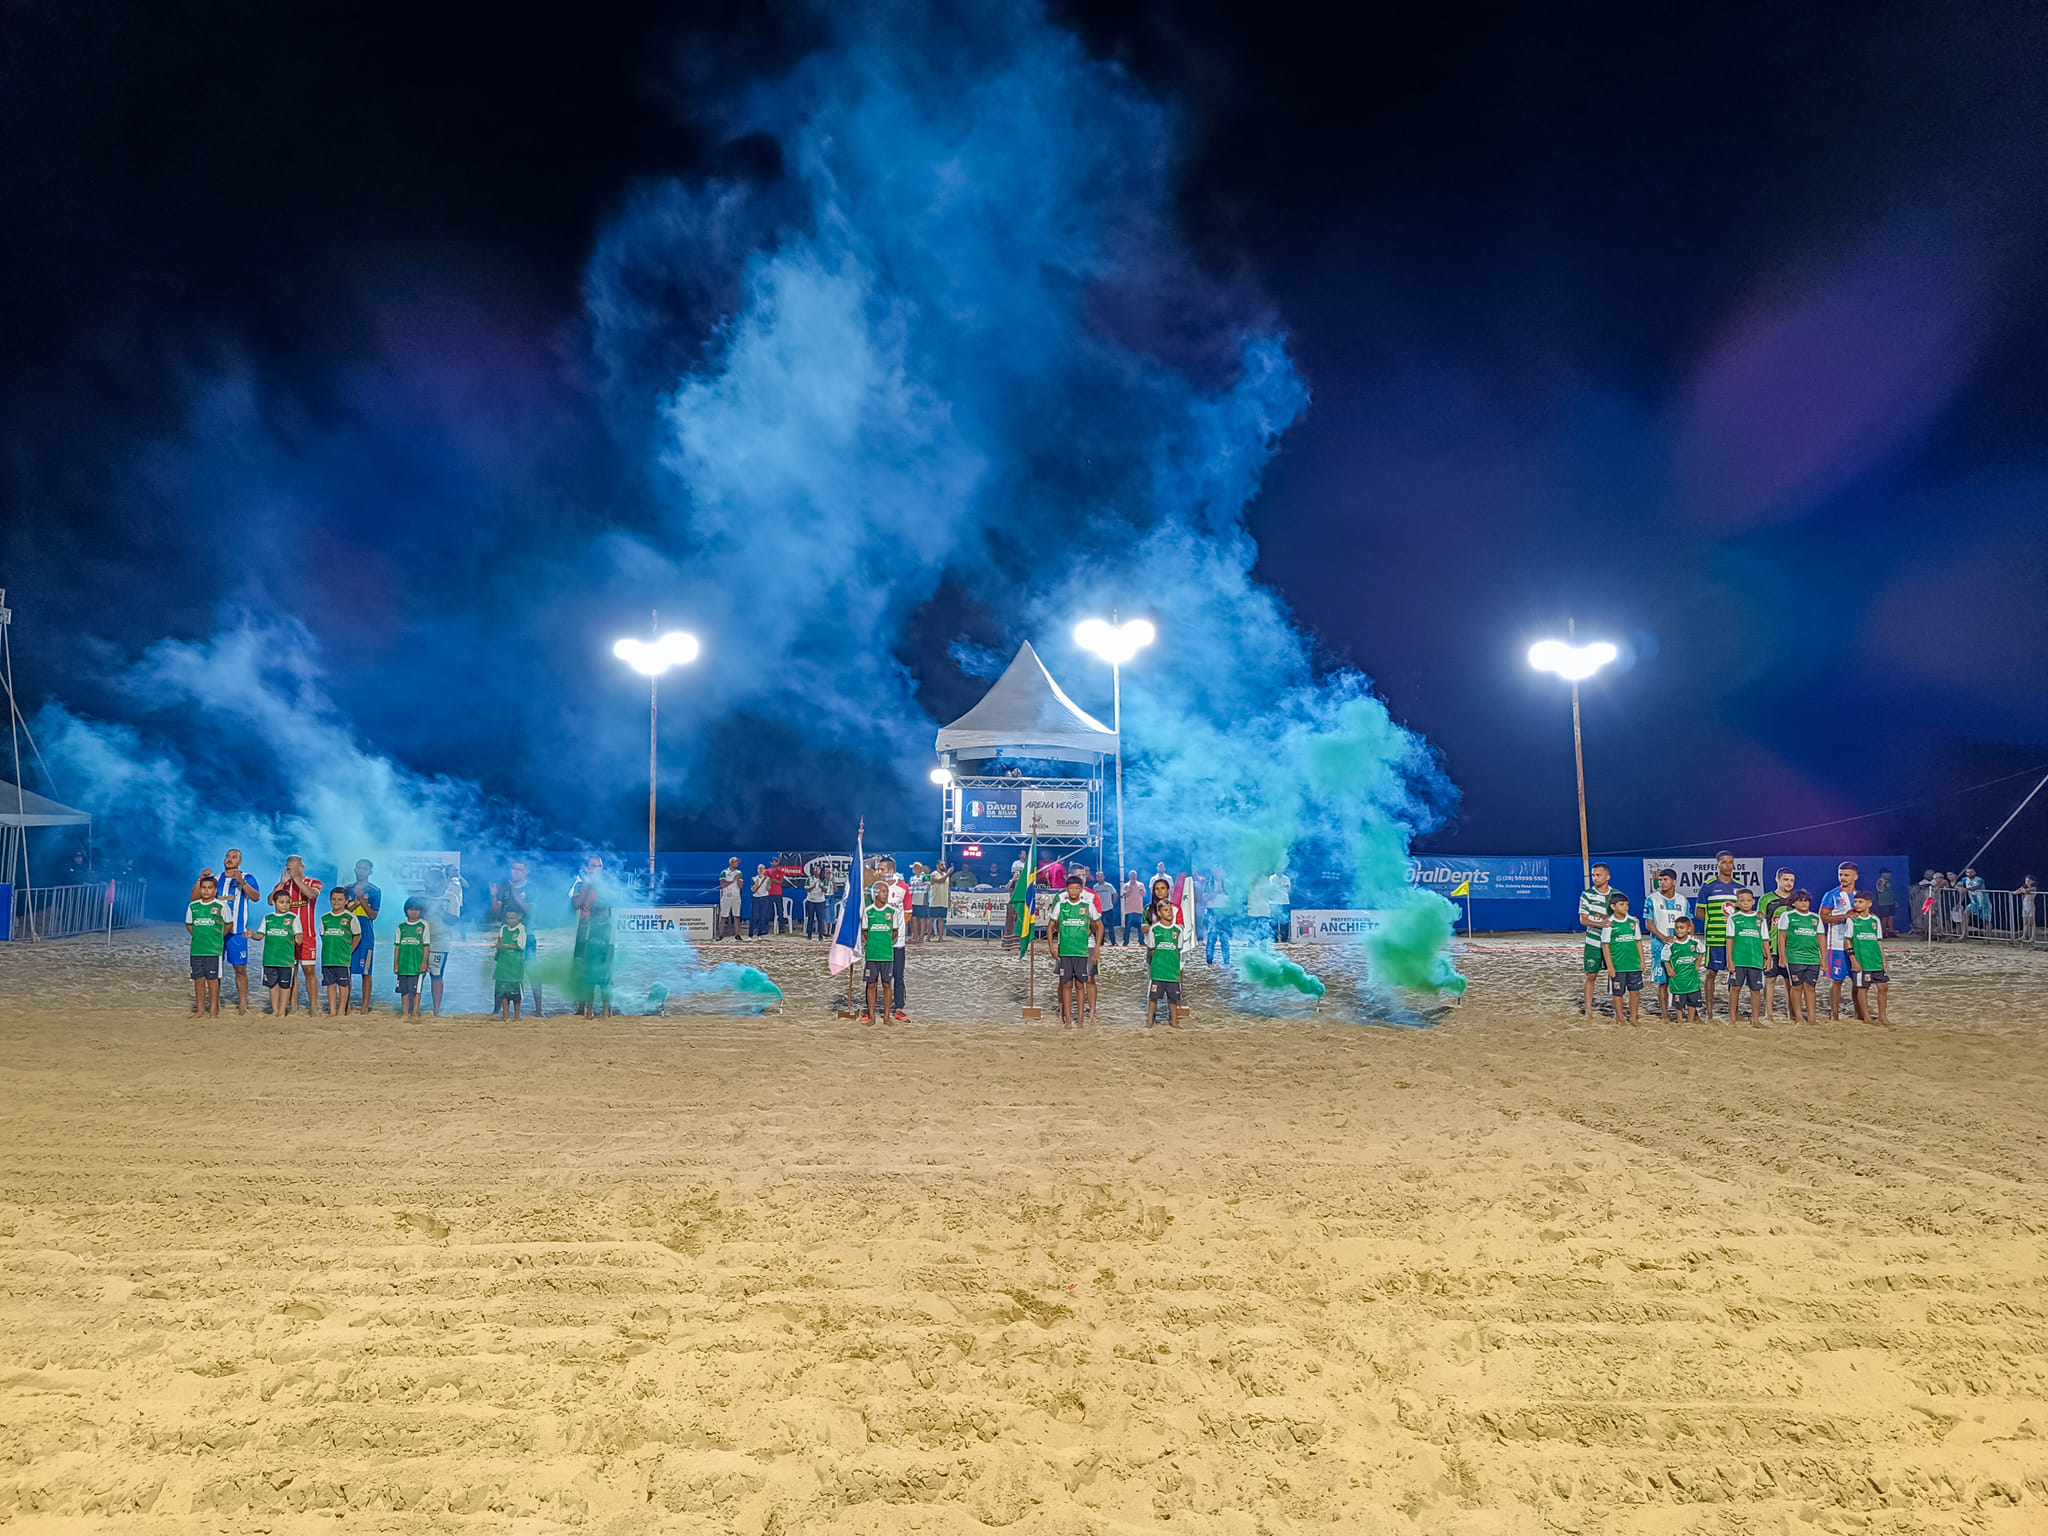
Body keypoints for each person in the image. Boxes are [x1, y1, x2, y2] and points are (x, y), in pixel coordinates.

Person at [194, 850, 260, 1014]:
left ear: (240, 861)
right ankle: (214, 1005)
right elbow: (195, 899)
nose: (230, 859)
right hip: (216, 932)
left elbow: (256, 897)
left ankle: (243, 1005)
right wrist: (200, 880)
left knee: (240, 968)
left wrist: (242, 882)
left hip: (237, 933)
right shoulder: (216, 879)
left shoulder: (248, 877)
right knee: (214, 970)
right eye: (228, 856)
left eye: (234, 857)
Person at [1694, 851, 1742, 1021]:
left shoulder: (1739, 887)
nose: (1728, 865)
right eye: (1724, 862)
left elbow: (1743, 913)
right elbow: (1698, 911)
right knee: (1712, 973)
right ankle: (1709, 1012)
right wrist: (1714, 919)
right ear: (1718, 865)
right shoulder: (1708, 886)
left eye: (1731, 862)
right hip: (1715, 937)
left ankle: (1733, 1013)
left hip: (1735, 939)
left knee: (1734, 974)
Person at [490, 863, 543, 1015]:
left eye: (520, 869)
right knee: (502, 972)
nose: (515, 872)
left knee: (532, 971)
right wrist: (494, 897)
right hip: (505, 933)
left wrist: (515, 894)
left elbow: (530, 910)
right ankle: (497, 1009)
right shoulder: (503, 887)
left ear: (526, 872)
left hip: (527, 934)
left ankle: (539, 1010)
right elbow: (495, 913)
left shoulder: (532, 888)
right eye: (513, 869)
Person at [274, 856, 325, 1014]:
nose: (291, 870)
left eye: (294, 867)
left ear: (302, 867)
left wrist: (296, 878)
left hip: (307, 935)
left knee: (309, 971)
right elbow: (271, 900)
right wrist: (282, 882)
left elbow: (311, 895)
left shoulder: (314, 882)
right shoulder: (284, 885)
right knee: (292, 972)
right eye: (289, 867)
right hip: (288, 937)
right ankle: (293, 1008)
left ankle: (313, 1007)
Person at [1051, 873, 1101, 1026]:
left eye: (1082, 875)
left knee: (1088, 980)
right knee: (1065, 981)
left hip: (1087, 946)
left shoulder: (1092, 898)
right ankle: (1064, 1015)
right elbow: (1054, 923)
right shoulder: (1060, 899)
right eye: (1077, 875)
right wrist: (1065, 934)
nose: (1081, 877)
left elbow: (1097, 923)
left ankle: (1090, 1014)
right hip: (1066, 946)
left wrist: (1088, 933)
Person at [1817, 862, 1862, 1021]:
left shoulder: (1860, 896)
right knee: (1837, 980)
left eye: (1846, 875)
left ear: (1855, 876)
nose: (1843, 878)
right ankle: (1834, 1016)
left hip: (1857, 945)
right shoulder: (1832, 895)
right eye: (1840, 874)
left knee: (1858, 982)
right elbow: (1822, 917)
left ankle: (1859, 1014)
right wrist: (1844, 916)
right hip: (1836, 943)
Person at [1643, 868, 1688, 1021]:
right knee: (1663, 982)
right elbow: (1649, 924)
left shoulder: (1682, 900)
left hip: (1680, 946)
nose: (1662, 882)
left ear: (1674, 882)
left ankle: (1679, 1013)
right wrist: (1663, 938)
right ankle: (1664, 1014)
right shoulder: (1652, 899)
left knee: (1679, 980)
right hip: (1660, 946)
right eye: (1660, 880)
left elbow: (1689, 922)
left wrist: (1689, 940)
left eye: (1666, 880)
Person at [1775, 889, 1823, 1024]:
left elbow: (1821, 939)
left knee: (1811, 988)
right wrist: (1783, 956)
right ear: (1793, 903)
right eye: (1800, 901)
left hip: (1813, 958)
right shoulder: (1788, 916)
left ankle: (1812, 1018)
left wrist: (1823, 958)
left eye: (1806, 901)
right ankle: (1799, 1017)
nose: (1804, 903)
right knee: (1796, 987)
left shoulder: (1815, 918)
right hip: (1795, 957)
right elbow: (1782, 937)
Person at [1599, 892, 1646, 1025]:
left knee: (1635, 991)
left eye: (1627, 904)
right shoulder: (1610, 924)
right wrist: (1610, 966)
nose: (1625, 907)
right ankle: (1620, 1017)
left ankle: (1633, 1017)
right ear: (1613, 906)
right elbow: (1606, 946)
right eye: (1621, 904)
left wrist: (1642, 961)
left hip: (1633, 964)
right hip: (1618, 965)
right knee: (1618, 992)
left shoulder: (1633, 922)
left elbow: (1638, 942)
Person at [186, 873, 229, 1017]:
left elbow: (229, 924)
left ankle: (213, 1009)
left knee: (213, 980)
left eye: (209, 888)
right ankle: (200, 1009)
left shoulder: (221, 906)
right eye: (203, 887)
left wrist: (217, 936)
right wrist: (199, 936)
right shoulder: (193, 906)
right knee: (198, 980)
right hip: (197, 949)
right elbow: (189, 925)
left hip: (213, 950)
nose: (206, 890)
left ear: (215, 890)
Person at [1725, 887, 1770, 1027]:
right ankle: (1732, 1019)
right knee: (1735, 988)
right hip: (1738, 960)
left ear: (1753, 901)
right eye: (1742, 900)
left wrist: (1768, 957)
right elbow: (1729, 940)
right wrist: (1729, 960)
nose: (1745, 903)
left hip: (1755, 960)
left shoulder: (1760, 920)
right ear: (1737, 902)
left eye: (1748, 900)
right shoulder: (1734, 918)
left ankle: (1756, 1020)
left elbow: (1765, 940)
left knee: (1755, 990)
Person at [1143, 891, 1188, 1027]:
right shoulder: (1154, 930)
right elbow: (1152, 948)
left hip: (1172, 971)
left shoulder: (1178, 930)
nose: (1169, 913)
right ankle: (1150, 1021)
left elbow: (1178, 949)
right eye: (1165, 910)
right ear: (1159, 913)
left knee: (1173, 999)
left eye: (1170, 910)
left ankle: (1174, 1022)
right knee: (1154, 998)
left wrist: (1175, 967)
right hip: (1158, 970)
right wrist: (1159, 961)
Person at [343, 859, 382, 1014]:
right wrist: (355, 903)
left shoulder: (375, 890)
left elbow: (373, 915)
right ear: (355, 870)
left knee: (366, 972)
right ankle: (346, 1004)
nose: (361, 871)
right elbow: (343, 913)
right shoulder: (346, 889)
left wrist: (361, 901)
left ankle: (365, 1006)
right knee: (346, 970)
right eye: (359, 868)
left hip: (366, 935)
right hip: (348, 935)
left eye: (365, 868)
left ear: (370, 872)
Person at [1847, 889, 1890, 1026]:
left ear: (1869, 904)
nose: (1857, 904)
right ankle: (1866, 1017)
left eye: (1861, 902)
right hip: (1862, 962)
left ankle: (1883, 1017)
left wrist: (1884, 960)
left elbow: (1879, 941)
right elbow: (1847, 940)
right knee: (1863, 988)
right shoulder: (1852, 920)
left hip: (1875, 961)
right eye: (1856, 902)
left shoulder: (1874, 920)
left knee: (1883, 987)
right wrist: (1853, 959)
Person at [257, 889, 303, 1017]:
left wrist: (298, 939)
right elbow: (260, 935)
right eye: (281, 902)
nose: (284, 905)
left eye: (287, 902)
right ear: (274, 902)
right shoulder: (268, 918)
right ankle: (275, 1010)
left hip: (286, 960)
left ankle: (282, 1011)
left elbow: (298, 935)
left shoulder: (293, 918)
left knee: (285, 986)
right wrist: (252, 935)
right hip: (270, 959)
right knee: (272, 985)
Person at [859, 879, 900, 1023]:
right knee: (871, 984)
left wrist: (885, 942)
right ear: (875, 894)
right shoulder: (868, 911)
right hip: (872, 954)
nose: (886, 895)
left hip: (887, 955)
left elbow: (895, 932)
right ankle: (871, 1017)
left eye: (887, 892)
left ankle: (887, 1017)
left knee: (887, 984)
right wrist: (872, 943)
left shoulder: (892, 911)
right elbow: (865, 932)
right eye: (883, 892)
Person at [1759, 868, 1797, 1019]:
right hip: (1771, 946)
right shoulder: (1766, 899)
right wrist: (1764, 945)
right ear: (1778, 879)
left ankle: (1792, 1013)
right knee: (1770, 980)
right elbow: (1760, 923)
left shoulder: (1796, 900)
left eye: (1792, 880)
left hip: (1790, 948)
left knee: (1791, 982)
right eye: (1786, 879)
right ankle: (1769, 1013)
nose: (1789, 883)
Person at [1578, 863, 1615, 1016]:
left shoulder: (1616, 894)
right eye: (1593, 875)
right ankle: (1588, 1010)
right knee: (1591, 975)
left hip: (1612, 942)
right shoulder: (1586, 895)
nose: (1595, 878)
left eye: (1598, 875)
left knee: (1615, 974)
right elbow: (1583, 920)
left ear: (1608, 876)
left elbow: (1620, 916)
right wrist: (1600, 923)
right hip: (1593, 941)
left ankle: (1617, 1008)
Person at [317, 888, 360, 1016]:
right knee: (330, 985)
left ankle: (341, 1010)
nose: (336, 902)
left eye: (340, 899)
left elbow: (357, 936)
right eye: (334, 899)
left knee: (343, 985)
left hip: (343, 959)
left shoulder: (350, 918)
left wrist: (349, 950)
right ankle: (332, 1010)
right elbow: (323, 936)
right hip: (328, 958)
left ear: (346, 901)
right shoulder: (325, 918)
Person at [1664, 914, 1707, 1021]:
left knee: (1692, 1001)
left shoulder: (1694, 942)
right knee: (1679, 1003)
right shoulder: (1671, 944)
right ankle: (1680, 1020)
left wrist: (1698, 963)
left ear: (1689, 929)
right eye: (1677, 928)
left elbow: (1702, 951)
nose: (1679, 930)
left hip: (1692, 979)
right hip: (1678, 979)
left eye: (1682, 928)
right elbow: (1665, 957)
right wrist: (1669, 968)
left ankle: (1690, 1020)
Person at [392, 899, 429, 1017]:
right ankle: (405, 1012)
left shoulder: (424, 925)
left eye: (416, 910)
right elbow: (397, 946)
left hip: (416, 964)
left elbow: (426, 945)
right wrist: (396, 963)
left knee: (416, 990)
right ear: (406, 910)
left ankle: (415, 1012)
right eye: (411, 909)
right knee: (404, 990)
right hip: (404, 964)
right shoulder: (401, 927)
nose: (413, 912)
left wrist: (424, 962)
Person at [493, 904, 527, 1019]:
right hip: (503, 966)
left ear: (519, 917)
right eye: (508, 918)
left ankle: (517, 1016)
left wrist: (503, 946)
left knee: (516, 994)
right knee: (503, 992)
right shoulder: (503, 928)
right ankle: (505, 1015)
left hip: (515, 967)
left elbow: (520, 946)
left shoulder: (521, 929)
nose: (509, 920)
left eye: (512, 918)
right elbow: (499, 942)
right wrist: (499, 948)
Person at [424, 892, 453, 1017]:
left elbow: (454, 920)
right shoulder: (421, 897)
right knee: (416, 974)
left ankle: (436, 1010)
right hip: (421, 940)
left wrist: (439, 911)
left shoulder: (451, 897)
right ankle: (412, 1007)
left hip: (440, 942)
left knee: (436, 975)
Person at [1203, 869, 1232, 967]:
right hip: (1212, 912)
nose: (1219, 872)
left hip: (1224, 914)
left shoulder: (1227, 883)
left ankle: (1226, 962)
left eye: (1220, 870)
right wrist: (1215, 893)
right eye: (1216, 870)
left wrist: (1223, 891)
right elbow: (1204, 898)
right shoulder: (1208, 884)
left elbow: (1233, 898)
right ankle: (1209, 962)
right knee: (1211, 939)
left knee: (1225, 939)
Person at [718, 857, 744, 941]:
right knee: (723, 916)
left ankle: (737, 934)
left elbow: (741, 886)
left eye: (737, 862)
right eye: (735, 862)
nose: (737, 864)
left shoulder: (739, 872)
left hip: (736, 896)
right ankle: (720, 934)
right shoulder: (724, 872)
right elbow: (722, 884)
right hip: (726, 896)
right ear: (731, 863)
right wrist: (733, 880)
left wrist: (739, 880)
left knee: (737, 916)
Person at [929, 862, 952, 944]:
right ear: (937, 865)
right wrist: (948, 874)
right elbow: (939, 881)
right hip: (935, 900)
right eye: (942, 865)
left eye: (945, 864)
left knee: (941, 919)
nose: (944, 866)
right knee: (932, 919)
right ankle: (928, 936)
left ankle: (941, 937)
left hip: (943, 900)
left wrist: (949, 900)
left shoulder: (946, 876)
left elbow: (948, 889)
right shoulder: (933, 874)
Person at [1246, 870, 1272, 945]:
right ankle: (1252, 953)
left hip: (1264, 910)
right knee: (1252, 936)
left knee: (1264, 935)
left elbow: (1270, 895)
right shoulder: (1250, 877)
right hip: (1253, 910)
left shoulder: (1267, 879)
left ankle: (1262, 954)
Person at [805, 866, 831, 939]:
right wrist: (813, 886)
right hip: (811, 901)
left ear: (820, 871)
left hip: (820, 901)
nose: (816, 870)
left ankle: (820, 935)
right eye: (815, 869)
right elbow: (807, 889)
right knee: (810, 918)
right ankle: (809, 935)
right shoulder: (809, 879)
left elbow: (826, 890)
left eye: (818, 869)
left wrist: (821, 886)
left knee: (820, 919)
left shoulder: (824, 880)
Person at [1120, 870, 1145, 947]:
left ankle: (1141, 941)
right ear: (1129, 876)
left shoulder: (1140, 884)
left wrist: (1140, 890)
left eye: (1134, 875)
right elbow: (1124, 895)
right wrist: (1130, 889)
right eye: (1131, 875)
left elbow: (1144, 894)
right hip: (1129, 910)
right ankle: (1125, 942)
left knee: (1140, 927)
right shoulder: (1126, 885)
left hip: (1139, 909)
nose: (1133, 877)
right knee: (1127, 927)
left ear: (1136, 876)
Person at [1271, 870, 1292, 943]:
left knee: (1285, 920)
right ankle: (1274, 938)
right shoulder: (1272, 878)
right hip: (1274, 902)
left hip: (1284, 901)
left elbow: (1289, 890)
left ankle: (1285, 938)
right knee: (1274, 921)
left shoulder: (1286, 878)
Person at [1874, 869, 1897, 937]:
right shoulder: (1880, 881)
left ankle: (1891, 932)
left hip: (1890, 902)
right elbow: (1879, 889)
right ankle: (1883, 932)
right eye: (1887, 873)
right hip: (1883, 903)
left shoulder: (1889, 881)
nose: (1889, 875)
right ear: (1883, 874)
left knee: (1891, 917)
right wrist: (1883, 884)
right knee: (1884, 917)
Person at [2020, 876, 2039, 942]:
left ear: (2032, 881)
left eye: (2028, 881)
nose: (2026, 882)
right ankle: (2024, 935)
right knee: (2025, 922)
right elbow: (2019, 891)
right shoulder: (2025, 887)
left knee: (2032, 922)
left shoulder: (2034, 888)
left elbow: (2024, 891)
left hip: (2030, 904)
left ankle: (2032, 937)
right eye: (2026, 881)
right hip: (2025, 904)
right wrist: (2023, 889)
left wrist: (2023, 889)